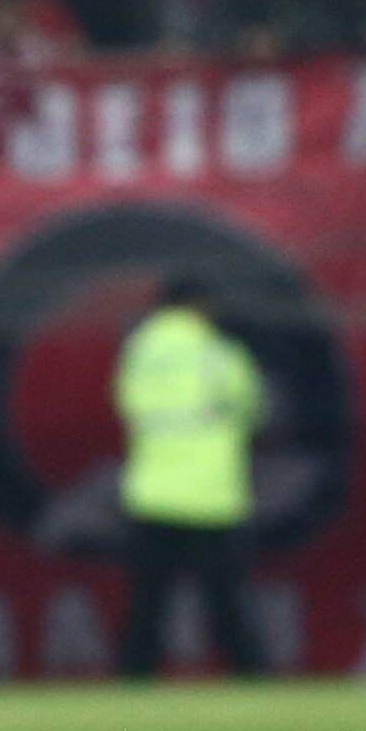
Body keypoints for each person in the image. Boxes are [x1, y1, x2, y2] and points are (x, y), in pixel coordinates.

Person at [112, 277, 265, 678]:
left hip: (152, 492)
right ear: (200, 305)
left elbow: (125, 405)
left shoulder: (139, 350)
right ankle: (249, 676)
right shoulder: (217, 352)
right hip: (212, 495)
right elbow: (253, 408)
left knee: (148, 601)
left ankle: (133, 678)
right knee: (226, 600)